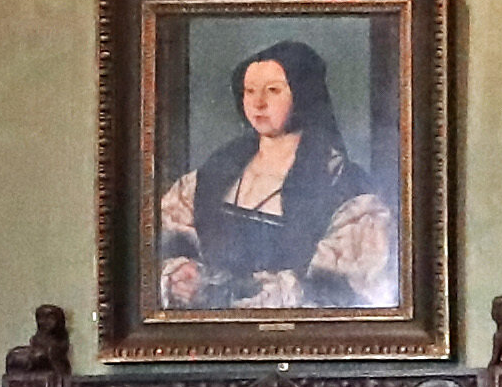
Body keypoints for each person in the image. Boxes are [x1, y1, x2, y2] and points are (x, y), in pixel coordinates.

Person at [161, 38, 396, 312]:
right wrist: (180, 275)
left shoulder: (343, 186)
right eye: (249, 91)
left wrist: (234, 292)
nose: (258, 103)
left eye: (273, 90)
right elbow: (165, 241)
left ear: (303, 95)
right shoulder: (214, 174)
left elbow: (348, 289)